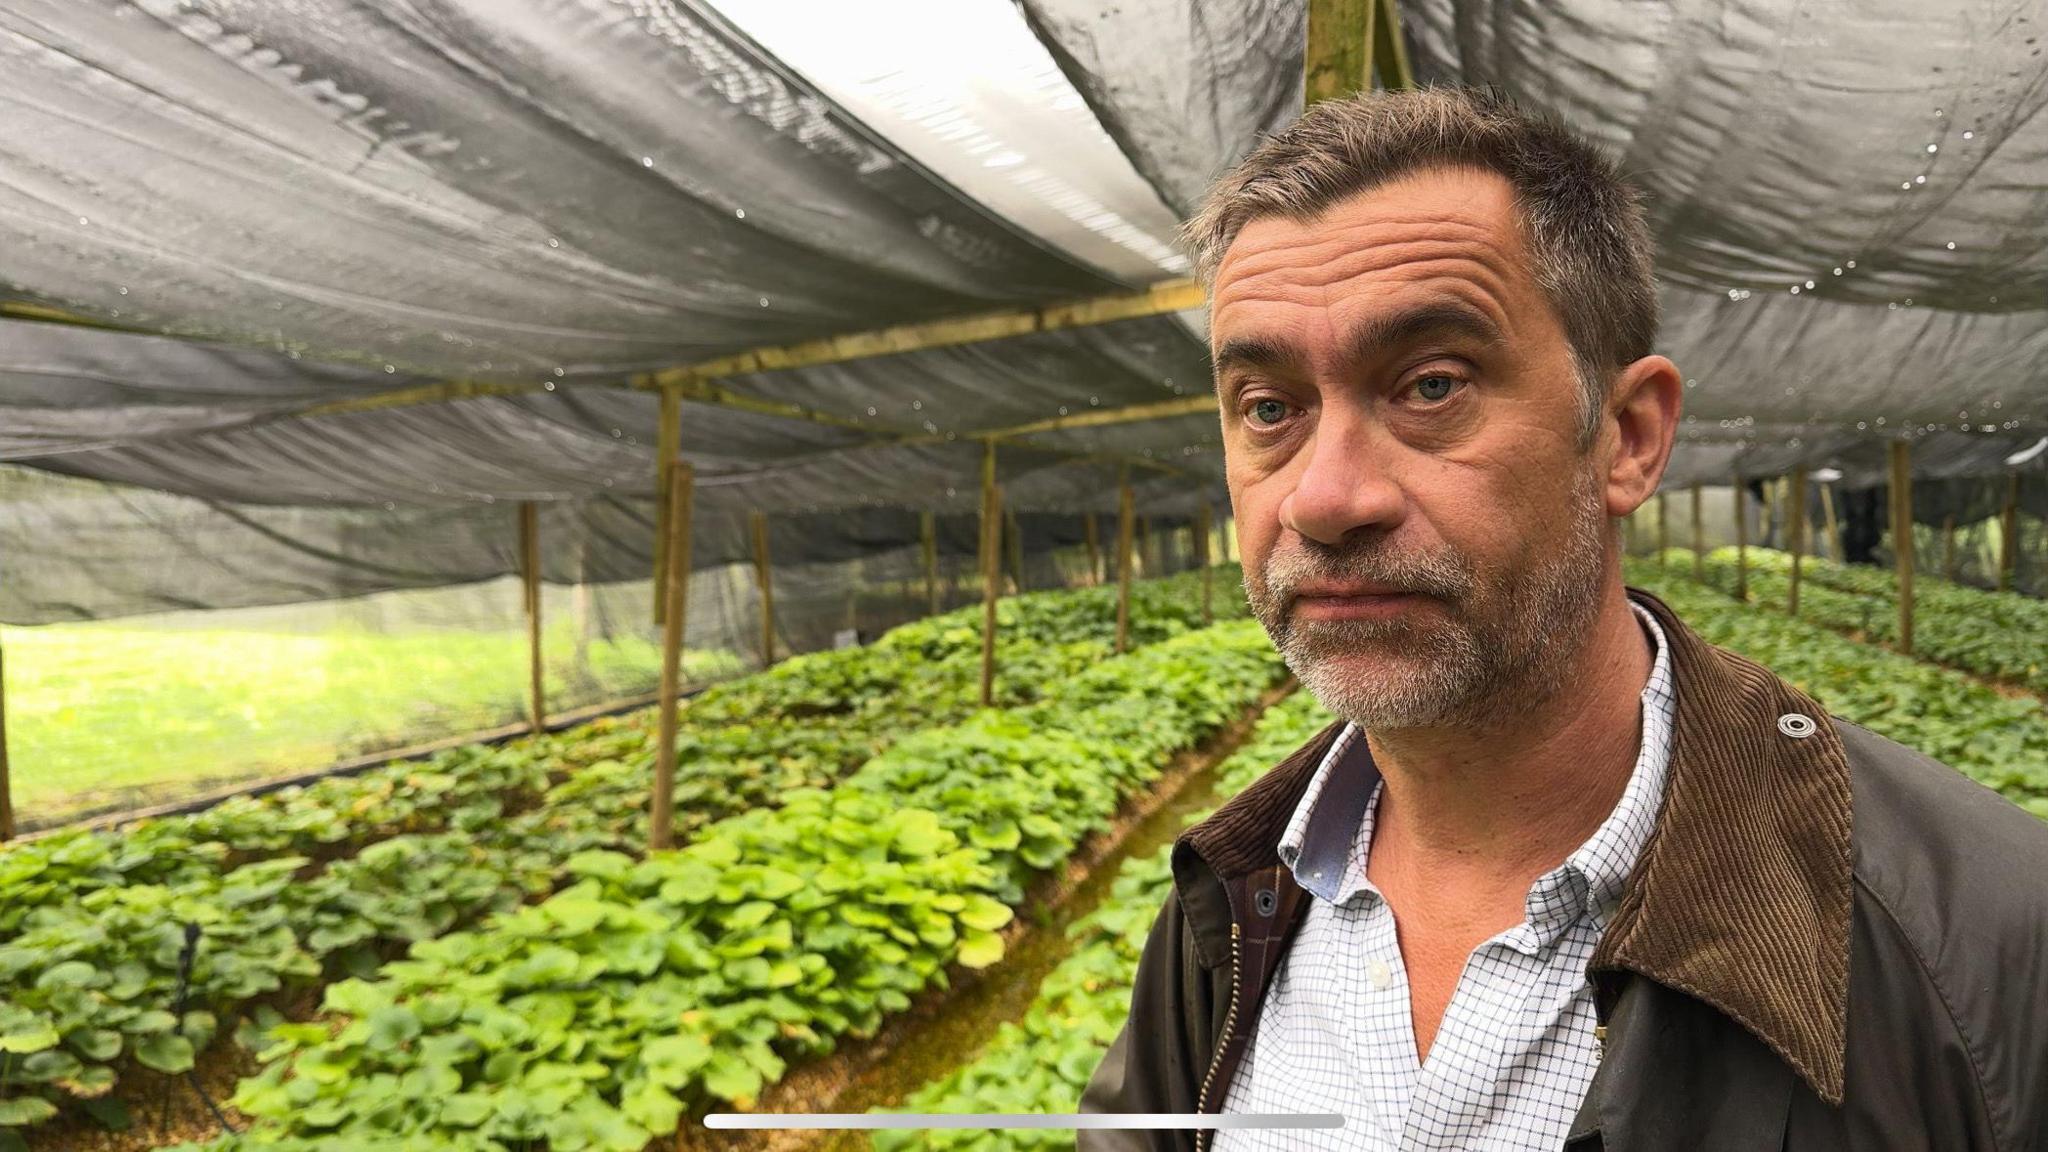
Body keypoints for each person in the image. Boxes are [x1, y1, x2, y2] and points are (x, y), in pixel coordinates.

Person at [1079, 86, 2048, 1151]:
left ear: (1626, 436)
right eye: (1268, 408)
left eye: (1431, 385)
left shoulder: (1983, 956)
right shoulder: (1222, 909)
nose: (1323, 497)